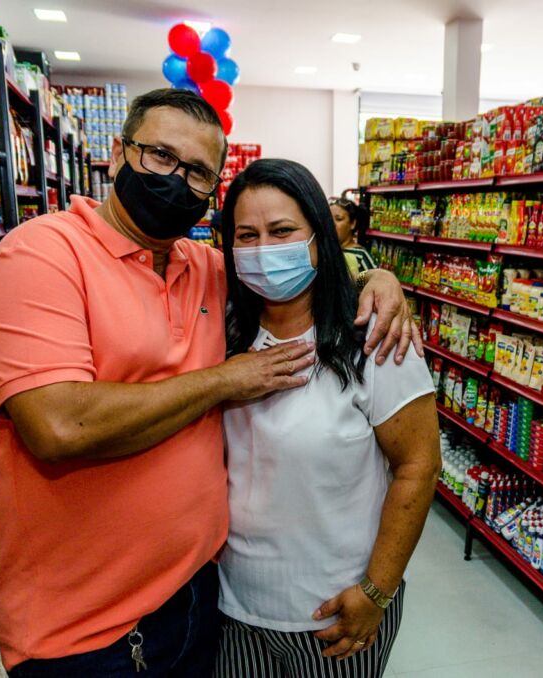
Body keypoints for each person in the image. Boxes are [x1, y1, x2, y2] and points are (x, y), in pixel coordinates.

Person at [0, 88, 419, 677]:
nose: (175, 180)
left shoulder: (209, 271)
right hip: (85, 633)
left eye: (199, 173)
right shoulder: (40, 256)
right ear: (116, 153)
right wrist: (223, 381)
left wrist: (380, 281)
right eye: (159, 155)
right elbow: (57, 425)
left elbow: (305, 277)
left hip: (200, 598)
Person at [215, 159, 440, 678]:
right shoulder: (220, 331)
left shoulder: (376, 338)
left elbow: (419, 466)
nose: (264, 250)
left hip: (335, 609)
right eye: (246, 235)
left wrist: (376, 590)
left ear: (320, 234)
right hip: (231, 606)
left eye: (283, 231)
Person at [330, 196, 377, 276]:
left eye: (339, 219)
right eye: (329, 219)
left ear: (352, 224)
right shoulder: (327, 252)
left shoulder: (360, 257)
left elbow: (373, 284)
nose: (332, 224)